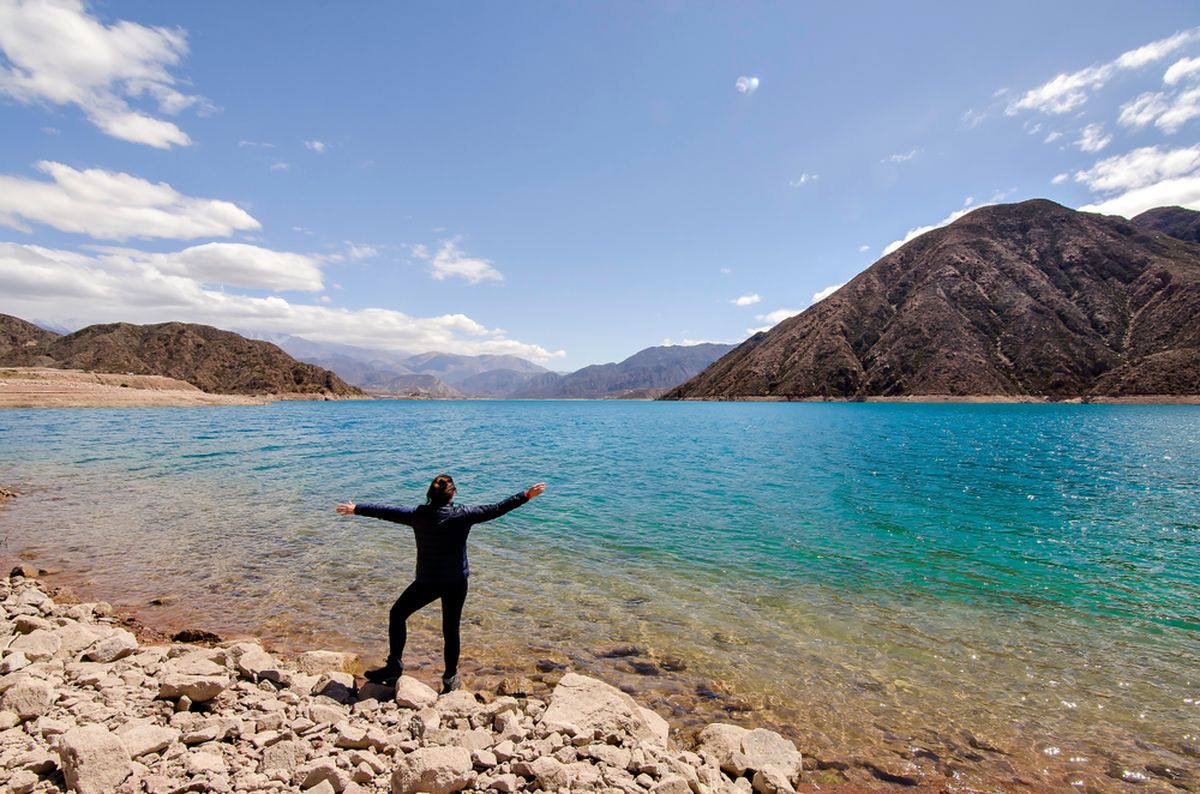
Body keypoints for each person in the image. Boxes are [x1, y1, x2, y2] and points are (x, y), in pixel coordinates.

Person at [336, 474, 545, 693]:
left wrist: (356, 508)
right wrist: (526, 495)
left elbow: (386, 511)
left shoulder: (418, 515)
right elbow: (496, 509)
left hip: (428, 582)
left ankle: (394, 665)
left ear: (430, 494)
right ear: (452, 494)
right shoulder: (463, 515)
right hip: (456, 582)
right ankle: (449, 678)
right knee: (450, 630)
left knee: (397, 614)